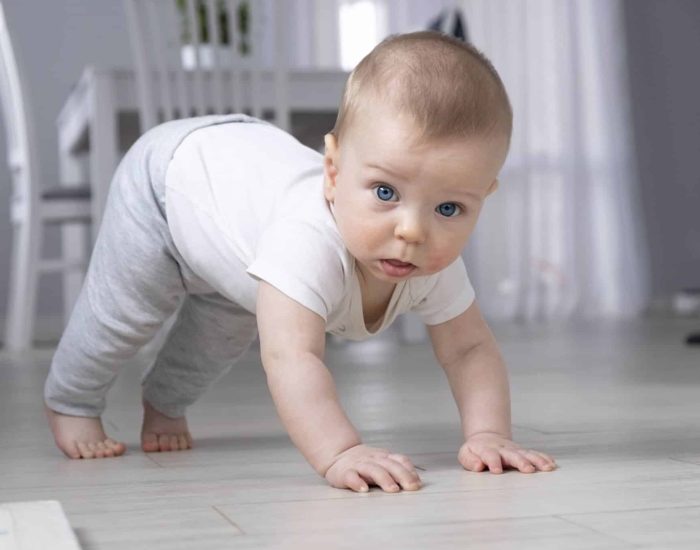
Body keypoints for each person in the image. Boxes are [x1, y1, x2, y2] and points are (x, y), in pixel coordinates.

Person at [44, 31, 556, 493]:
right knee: (124, 312)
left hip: (236, 223)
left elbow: (469, 350)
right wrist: (340, 451)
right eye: (385, 191)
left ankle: (165, 403)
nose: (413, 231)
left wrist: (489, 434)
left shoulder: (434, 263)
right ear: (332, 173)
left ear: (483, 198)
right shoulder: (305, 243)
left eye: (449, 208)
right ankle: (72, 401)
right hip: (168, 180)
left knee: (222, 331)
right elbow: (293, 359)